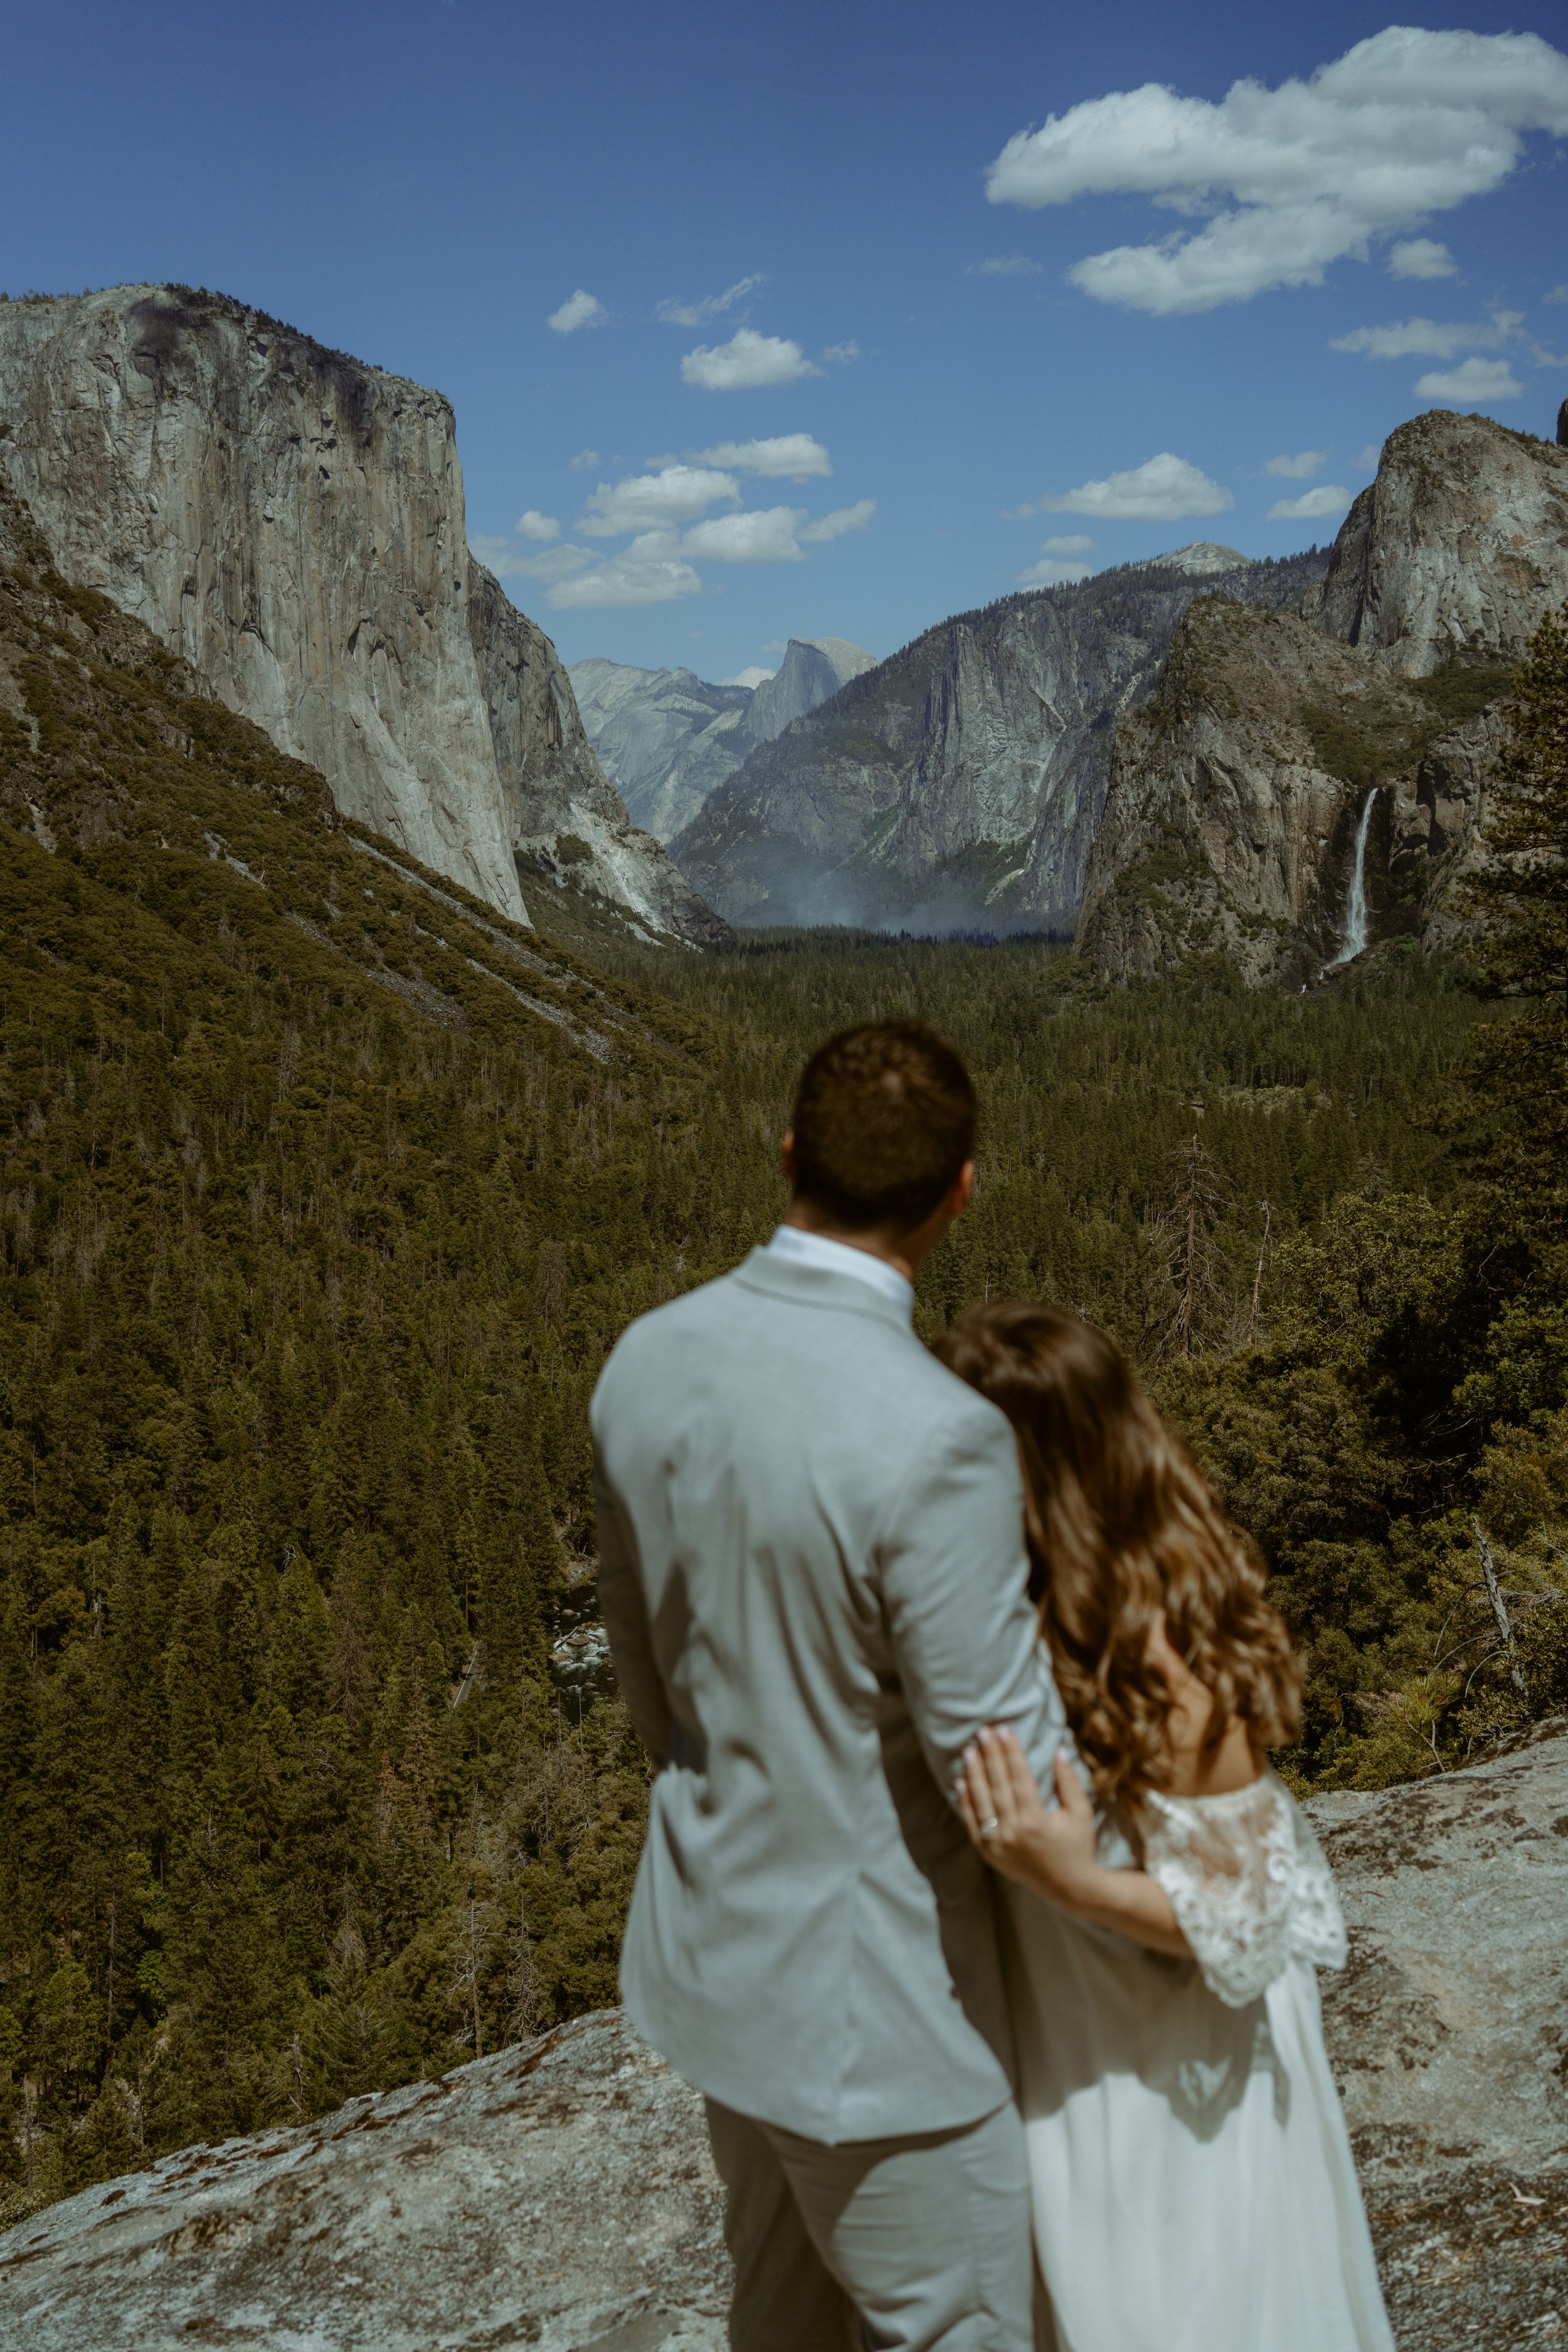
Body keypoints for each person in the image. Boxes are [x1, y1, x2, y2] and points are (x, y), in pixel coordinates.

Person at [591, 1021, 1074, 2351]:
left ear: (788, 1154)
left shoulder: (644, 1358)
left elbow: (645, 1678)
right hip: (880, 2022)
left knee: (780, 2324)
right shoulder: (938, 1439)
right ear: (959, 1193)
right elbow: (1006, 1769)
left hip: (709, 1958)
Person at [935, 1300, 1396, 2352]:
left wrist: (1069, 1878)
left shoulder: (1161, 1659)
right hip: (1066, 2056)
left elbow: (1246, 1914)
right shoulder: (1009, 1614)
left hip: (1166, 2100)